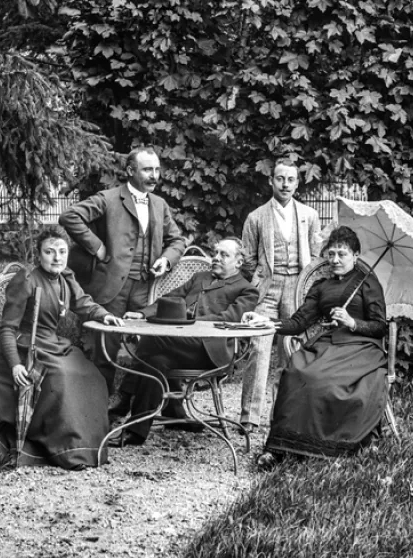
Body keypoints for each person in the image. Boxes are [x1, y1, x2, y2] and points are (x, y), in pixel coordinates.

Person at [241, 226, 388, 467]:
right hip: (328, 344)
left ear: (356, 255)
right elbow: (299, 322)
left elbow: (380, 326)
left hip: (361, 347)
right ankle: (279, 447)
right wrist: (267, 321)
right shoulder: (321, 287)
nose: (336, 259)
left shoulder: (368, 283)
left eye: (342, 254)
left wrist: (352, 322)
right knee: (298, 371)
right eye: (331, 254)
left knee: (327, 380)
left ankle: (335, 446)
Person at [0, 226, 125, 470]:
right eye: (49, 252)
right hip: (26, 347)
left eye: (61, 251)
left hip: (52, 343)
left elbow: (83, 303)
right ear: (39, 255)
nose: (57, 257)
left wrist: (104, 315)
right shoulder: (27, 280)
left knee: (92, 375)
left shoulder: (66, 278)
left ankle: (87, 445)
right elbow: (7, 329)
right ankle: (66, 449)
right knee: (62, 378)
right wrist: (15, 364)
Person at [108, 237, 259, 446]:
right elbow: (170, 299)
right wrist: (142, 314)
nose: (216, 258)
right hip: (180, 347)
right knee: (155, 361)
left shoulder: (246, 289)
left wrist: (190, 322)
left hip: (211, 351)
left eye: (224, 255)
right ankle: (138, 431)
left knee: (157, 339)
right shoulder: (200, 278)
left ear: (239, 262)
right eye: (215, 253)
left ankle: (123, 399)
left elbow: (228, 318)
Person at [59, 147, 186, 394]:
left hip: (144, 289)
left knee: (151, 348)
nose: (154, 175)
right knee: (103, 350)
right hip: (110, 288)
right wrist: (97, 247)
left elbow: (178, 240)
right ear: (130, 171)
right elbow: (70, 216)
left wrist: (166, 260)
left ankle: (130, 403)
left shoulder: (159, 205)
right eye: (147, 169)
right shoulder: (108, 198)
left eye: (157, 170)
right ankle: (97, 412)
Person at [239, 158, 322, 433]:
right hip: (268, 289)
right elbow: (248, 259)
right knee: (258, 348)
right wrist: (263, 278)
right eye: (280, 179)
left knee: (291, 351)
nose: (285, 184)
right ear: (270, 181)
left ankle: (284, 417)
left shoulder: (309, 216)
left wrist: (305, 286)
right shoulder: (256, 217)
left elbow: (316, 254)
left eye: (290, 179)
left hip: (297, 288)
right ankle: (249, 417)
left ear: (297, 183)